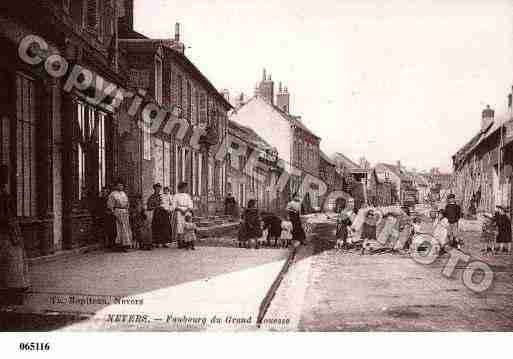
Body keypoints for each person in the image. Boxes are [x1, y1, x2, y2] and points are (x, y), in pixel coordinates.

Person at [0, 165, 30, 306]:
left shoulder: (4, 192)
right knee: (12, 261)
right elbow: (6, 215)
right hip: (6, 231)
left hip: (8, 229)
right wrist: (13, 228)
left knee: (12, 261)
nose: (5, 179)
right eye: (4, 175)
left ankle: (13, 291)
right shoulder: (3, 194)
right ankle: (12, 292)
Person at [107, 179, 133, 252]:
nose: (120, 186)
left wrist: (127, 208)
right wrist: (113, 213)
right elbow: (110, 205)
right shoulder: (113, 194)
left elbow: (127, 203)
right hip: (117, 211)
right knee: (119, 228)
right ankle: (120, 245)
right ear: (116, 186)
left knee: (126, 228)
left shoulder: (123, 193)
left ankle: (126, 244)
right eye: (119, 185)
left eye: (121, 185)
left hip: (125, 212)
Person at [147, 183, 172, 248]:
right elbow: (149, 207)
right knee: (157, 227)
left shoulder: (162, 196)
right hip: (157, 213)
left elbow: (168, 203)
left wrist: (168, 209)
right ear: (154, 189)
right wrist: (156, 206)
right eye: (156, 188)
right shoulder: (152, 197)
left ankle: (165, 242)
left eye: (159, 188)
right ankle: (157, 242)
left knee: (165, 227)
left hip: (164, 213)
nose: (158, 189)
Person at [171, 182, 194, 249]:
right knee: (180, 227)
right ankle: (180, 242)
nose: (184, 189)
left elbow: (190, 205)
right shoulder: (176, 196)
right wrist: (180, 210)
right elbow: (174, 205)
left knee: (187, 226)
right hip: (179, 212)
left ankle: (186, 242)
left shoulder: (187, 196)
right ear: (179, 188)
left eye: (185, 188)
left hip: (187, 212)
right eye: (183, 188)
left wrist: (186, 210)